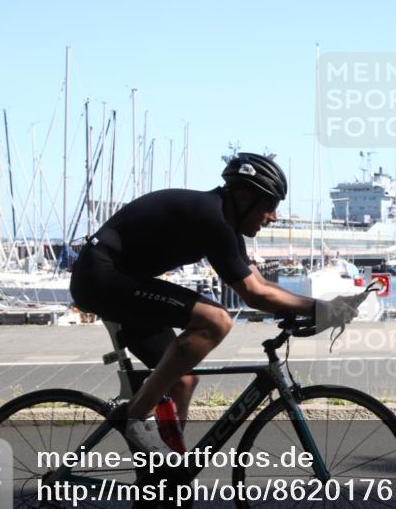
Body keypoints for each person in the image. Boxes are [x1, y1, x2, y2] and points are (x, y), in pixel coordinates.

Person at [69, 152, 363, 454]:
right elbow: (252, 294)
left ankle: (165, 473)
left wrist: (321, 305)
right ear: (244, 197)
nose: (273, 217)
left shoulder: (227, 222)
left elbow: (261, 284)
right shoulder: (212, 218)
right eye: (269, 207)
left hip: (124, 280)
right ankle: (136, 415)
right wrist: (319, 309)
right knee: (216, 320)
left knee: (182, 381)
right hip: (101, 277)